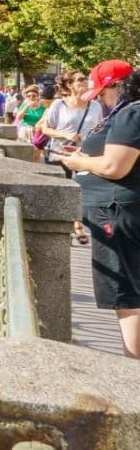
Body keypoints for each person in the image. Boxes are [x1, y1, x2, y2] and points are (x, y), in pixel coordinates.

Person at [59, 59, 140, 358]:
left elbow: (114, 167)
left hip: (118, 214)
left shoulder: (131, 113)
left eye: (103, 93)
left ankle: (133, 370)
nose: (102, 100)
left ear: (119, 86)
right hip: (119, 211)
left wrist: (78, 161)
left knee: (128, 295)